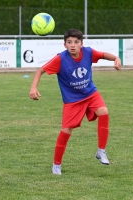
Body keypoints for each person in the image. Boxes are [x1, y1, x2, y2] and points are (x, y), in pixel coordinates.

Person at [29, 29, 121, 175]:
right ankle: (56, 164)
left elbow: (103, 54)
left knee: (103, 111)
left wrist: (116, 58)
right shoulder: (60, 59)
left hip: (90, 94)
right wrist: (33, 88)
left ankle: (101, 150)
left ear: (81, 44)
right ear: (64, 44)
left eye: (76, 42)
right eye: (69, 42)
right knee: (66, 131)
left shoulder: (88, 52)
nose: (73, 45)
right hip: (72, 101)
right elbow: (40, 70)